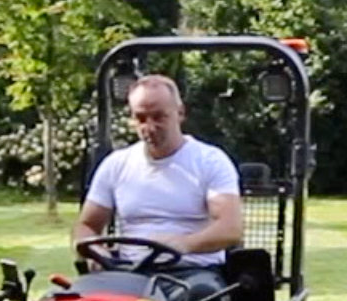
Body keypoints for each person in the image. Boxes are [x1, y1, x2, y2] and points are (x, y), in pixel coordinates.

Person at [74, 73, 244, 267]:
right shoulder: (116, 165)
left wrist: (184, 244)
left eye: (159, 117)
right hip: (130, 270)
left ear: (180, 113)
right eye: (141, 118)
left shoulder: (210, 162)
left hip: (193, 270)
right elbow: (87, 225)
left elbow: (230, 228)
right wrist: (94, 252)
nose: (150, 127)